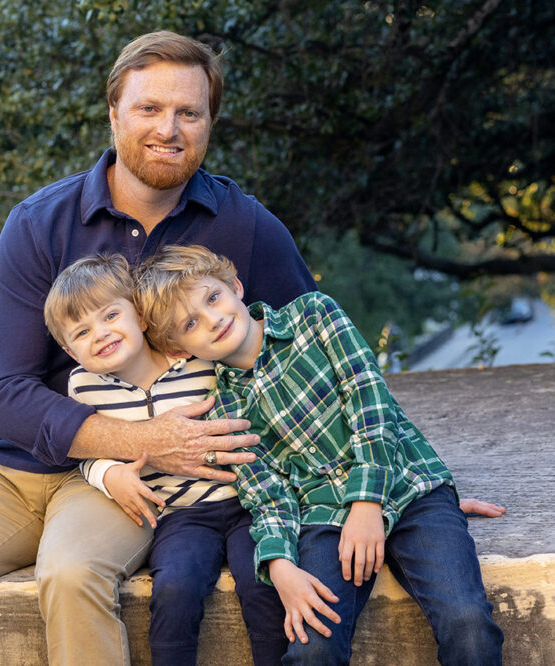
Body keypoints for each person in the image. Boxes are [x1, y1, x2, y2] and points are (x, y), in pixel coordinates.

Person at [0, 31, 318, 664]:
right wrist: (144, 437)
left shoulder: (243, 226)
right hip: (8, 465)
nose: (169, 129)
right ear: (113, 113)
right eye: (149, 108)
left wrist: (363, 479)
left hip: (131, 483)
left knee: (72, 577)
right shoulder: (39, 224)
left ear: (210, 123)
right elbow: (2, 393)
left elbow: (314, 350)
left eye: (189, 112)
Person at [134, 244, 505, 665]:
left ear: (235, 286)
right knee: (313, 647)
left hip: (408, 488)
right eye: (190, 323)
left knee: (467, 622)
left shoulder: (314, 315)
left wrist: (367, 503)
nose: (213, 319)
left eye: (213, 297)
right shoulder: (223, 409)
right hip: (323, 517)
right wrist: (279, 566)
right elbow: (267, 495)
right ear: (179, 350)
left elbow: (371, 404)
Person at [42, 253, 287, 665]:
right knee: (174, 587)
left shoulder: (197, 359)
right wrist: (109, 474)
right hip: (180, 515)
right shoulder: (84, 387)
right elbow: (87, 451)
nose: (101, 334)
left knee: (260, 580)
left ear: (140, 317)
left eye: (110, 316)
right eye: (82, 332)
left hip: (245, 500)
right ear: (69, 350)